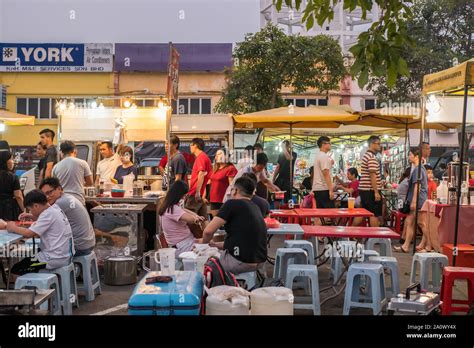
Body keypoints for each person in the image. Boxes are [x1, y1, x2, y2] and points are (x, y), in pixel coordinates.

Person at [199, 177, 267, 275]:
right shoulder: (255, 207)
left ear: (235, 190)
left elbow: (208, 231)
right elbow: (243, 240)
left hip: (241, 261)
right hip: (260, 261)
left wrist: (203, 245)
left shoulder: (231, 204)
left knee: (203, 263)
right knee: (216, 251)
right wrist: (215, 244)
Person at [3, 190, 74, 274]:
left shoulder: (47, 214)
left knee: (16, 269)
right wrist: (32, 216)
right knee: (32, 254)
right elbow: (47, 222)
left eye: (30, 209)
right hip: (65, 254)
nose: (30, 212)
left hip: (54, 258)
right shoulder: (55, 208)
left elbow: (29, 234)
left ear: (36, 206)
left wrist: (13, 227)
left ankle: (33, 284)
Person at [31, 177, 95, 256]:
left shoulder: (60, 203)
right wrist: (32, 216)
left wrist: (13, 227)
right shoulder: (67, 197)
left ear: (59, 189)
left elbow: (38, 230)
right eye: (44, 195)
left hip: (79, 247)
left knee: (34, 252)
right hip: (88, 244)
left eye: (49, 192)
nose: (47, 197)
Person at [394, 149, 429, 253]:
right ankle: (406, 245)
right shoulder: (417, 169)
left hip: (418, 200)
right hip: (417, 200)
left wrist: (413, 202)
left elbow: (417, 186)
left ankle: (430, 244)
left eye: (410, 154)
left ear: (416, 156)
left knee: (421, 223)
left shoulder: (418, 169)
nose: (409, 156)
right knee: (410, 222)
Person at [158, 180, 205, 255]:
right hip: (182, 246)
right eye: (184, 194)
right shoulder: (173, 209)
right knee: (210, 246)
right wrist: (196, 218)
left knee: (209, 244)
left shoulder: (168, 206)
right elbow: (191, 220)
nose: (185, 196)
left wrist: (196, 216)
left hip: (183, 243)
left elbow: (183, 210)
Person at [184, 138, 212, 235]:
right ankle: (208, 240)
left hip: (195, 193)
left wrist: (197, 192)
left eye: (191, 145)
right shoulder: (204, 157)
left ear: (195, 145)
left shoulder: (201, 157)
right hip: (199, 194)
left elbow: (201, 174)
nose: (190, 147)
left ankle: (193, 240)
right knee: (203, 218)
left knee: (189, 218)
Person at [52, 141, 93, 205]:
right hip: (78, 199)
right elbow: (90, 182)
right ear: (75, 151)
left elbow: (54, 186)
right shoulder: (83, 163)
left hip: (62, 200)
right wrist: (80, 183)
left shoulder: (56, 167)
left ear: (61, 152)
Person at [354, 136, 383, 227]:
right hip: (370, 190)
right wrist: (376, 192)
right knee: (374, 214)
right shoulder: (371, 157)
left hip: (364, 190)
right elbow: (372, 175)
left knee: (363, 212)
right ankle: (374, 237)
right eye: (378, 144)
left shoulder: (366, 155)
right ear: (372, 144)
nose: (380, 146)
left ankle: (350, 232)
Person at [209, 148, 237, 216]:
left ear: (226, 156)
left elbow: (232, 186)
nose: (217, 156)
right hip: (213, 200)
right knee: (215, 222)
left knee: (223, 221)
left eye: (220, 154)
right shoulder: (215, 169)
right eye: (216, 155)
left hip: (224, 200)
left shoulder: (230, 168)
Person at [0, 151, 24, 221]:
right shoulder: (13, 177)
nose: (13, 161)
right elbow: (18, 196)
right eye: (11, 159)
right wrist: (24, 210)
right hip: (8, 209)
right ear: (5, 161)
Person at [313, 136, 335, 208]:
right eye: (329, 143)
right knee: (331, 213)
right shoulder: (323, 156)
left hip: (318, 188)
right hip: (323, 188)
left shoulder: (319, 155)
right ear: (323, 144)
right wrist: (331, 190)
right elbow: (326, 174)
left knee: (321, 214)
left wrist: (330, 164)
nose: (330, 145)